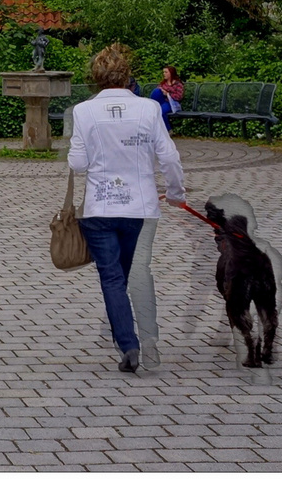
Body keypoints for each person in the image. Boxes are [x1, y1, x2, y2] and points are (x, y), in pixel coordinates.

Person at [68, 43, 188, 375]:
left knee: (111, 276)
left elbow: (77, 163)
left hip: (100, 207)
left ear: (96, 77)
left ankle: (128, 343)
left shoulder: (83, 111)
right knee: (119, 274)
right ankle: (127, 340)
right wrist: (176, 193)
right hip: (138, 207)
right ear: (127, 77)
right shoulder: (149, 109)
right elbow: (169, 157)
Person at [152, 64, 185, 132]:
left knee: (161, 111)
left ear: (171, 73)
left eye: (166, 72)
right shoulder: (163, 84)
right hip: (161, 101)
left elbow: (179, 97)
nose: (164, 74)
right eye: (163, 72)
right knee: (157, 91)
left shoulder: (178, 84)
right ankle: (151, 106)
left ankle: (168, 129)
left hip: (171, 103)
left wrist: (167, 94)